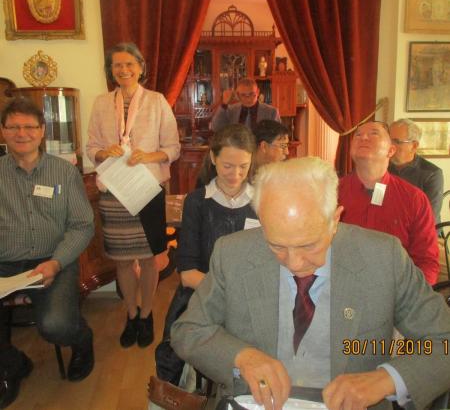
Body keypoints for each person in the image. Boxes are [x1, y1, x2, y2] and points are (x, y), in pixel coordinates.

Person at [171, 157, 450, 410]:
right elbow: (188, 331)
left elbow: (443, 342)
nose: (294, 263)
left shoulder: (383, 258)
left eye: (308, 245)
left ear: (335, 219)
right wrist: (241, 357)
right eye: (276, 245)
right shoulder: (233, 254)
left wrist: (385, 379)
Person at [0, 98, 95, 408]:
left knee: (56, 325)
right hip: (5, 264)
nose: (21, 133)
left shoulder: (64, 172)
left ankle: (82, 339)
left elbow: (82, 225)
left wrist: (56, 262)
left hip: (54, 260)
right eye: (13, 127)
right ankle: (12, 365)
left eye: (29, 126)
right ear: (2, 131)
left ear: (42, 131)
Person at [86, 42, 180, 348]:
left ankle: (147, 313)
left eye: (129, 64)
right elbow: (90, 148)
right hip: (114, 192)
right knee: (123, 262)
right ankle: (131, 313)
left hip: (147, 189)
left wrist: (149, 156)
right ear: (110, 70)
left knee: (150, 259)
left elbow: (173, 148)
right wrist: (105, 152)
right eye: (117, 65)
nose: (123, 70)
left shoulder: (157, 101)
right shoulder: (101, 103)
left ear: (141, 68)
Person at [156, 124, 258, 385]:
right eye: (228, 166)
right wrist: (229, 295)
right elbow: (187, 274)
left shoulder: (261, 202)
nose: (236, 174)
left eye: (243, 166)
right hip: (201, 293)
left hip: (250, 298)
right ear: (213, 158)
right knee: (173, 355)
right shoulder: (197, 202)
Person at [338, 121, 439, 285]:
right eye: (358, 134)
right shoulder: (332, 194)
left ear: (391, 150)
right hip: (343, 287)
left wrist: (413, 296)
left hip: (396, 290)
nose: (363, 137)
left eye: (374, 133)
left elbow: (426, 261)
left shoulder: (414, 199)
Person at [388, 118, 443, 223]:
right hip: (388, 226)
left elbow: (430, 218)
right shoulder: (383, 167)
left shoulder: (431, 174)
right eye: (388, 140)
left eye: (396, 141)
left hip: (418, 229)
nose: (390, 146)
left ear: (414, 146)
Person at [211, 78, 280, 133]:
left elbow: (278, 135)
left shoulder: (271, 112)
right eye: (243, 95)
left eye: (251, 94)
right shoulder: (230, 110)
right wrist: (224, 104)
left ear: (258, 92)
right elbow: (215, 128)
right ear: (238, 95)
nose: (248, 99)